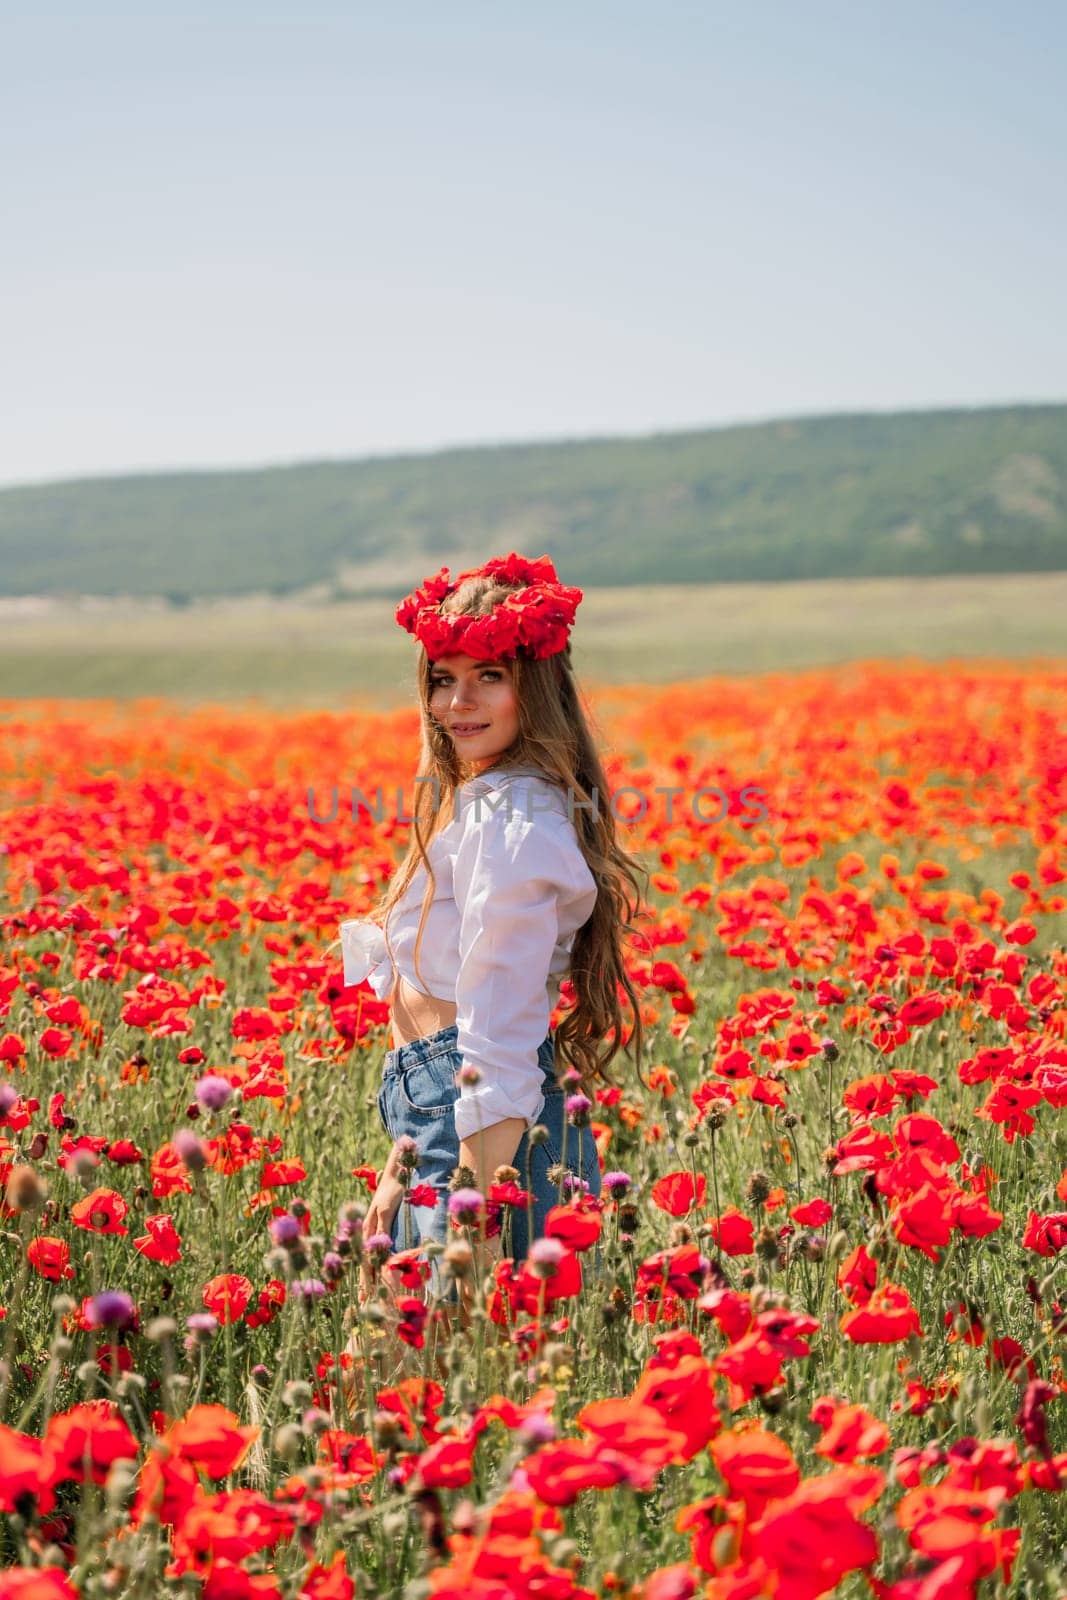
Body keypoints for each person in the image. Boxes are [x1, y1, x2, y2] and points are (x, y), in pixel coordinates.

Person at [338, 551, 647, 1296]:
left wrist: (470, 1229)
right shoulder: (485, 800)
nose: (457, 702)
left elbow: (497, 1028)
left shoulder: (515, 818)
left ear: (533, 689)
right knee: (438, 1379)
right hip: (448, 1123)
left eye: (489, 676)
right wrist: (401, 1161)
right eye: (442, 678)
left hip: (487, 1136)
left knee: (456, 1371)